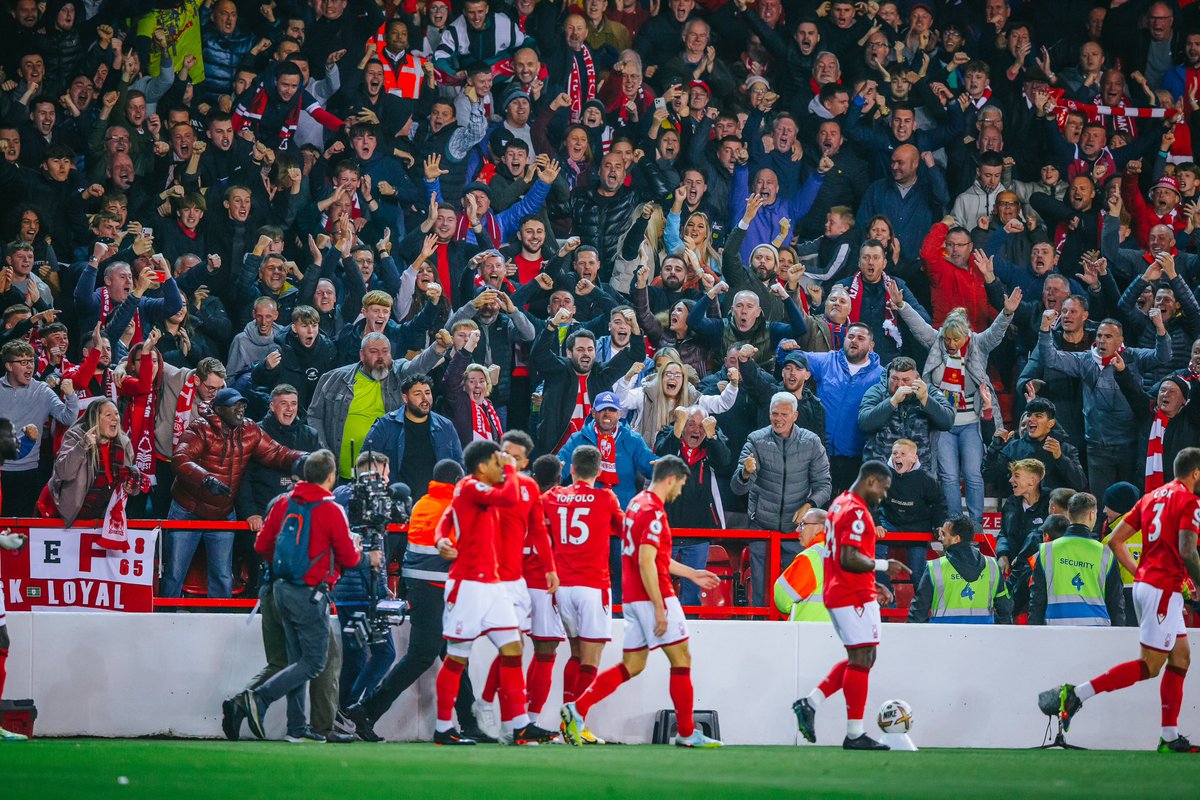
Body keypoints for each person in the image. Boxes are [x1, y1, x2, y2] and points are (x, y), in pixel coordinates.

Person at [1040, 448, 1200, 753]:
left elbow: (1115, 541)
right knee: (1150, 666)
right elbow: (1188, 550)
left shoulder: (1152, 497)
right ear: (1195, 473)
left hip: (1151, 586)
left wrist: (1142, 573)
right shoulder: (1189, 500)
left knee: (1181, 657)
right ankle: (1077, 694)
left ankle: (1169, 735)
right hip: (1163, 590)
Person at [560, 455, 723, 748]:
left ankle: (577, 708)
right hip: (653, 595)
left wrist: (692, 574)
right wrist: (660, 607)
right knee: (681, 658)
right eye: (681, 484)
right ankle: (686, 732)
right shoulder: (654, 511)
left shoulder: (636, 504)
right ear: (671, 479)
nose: (680, 491)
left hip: (635, 598)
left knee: (633, 664)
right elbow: (647, 561)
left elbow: (653, 557)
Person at [232, 450, 379, 743]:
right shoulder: (330, 508)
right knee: (314, 663)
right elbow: (349, 558)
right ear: (330, 476)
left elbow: (261, 544)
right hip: (310, 592)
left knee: (296, 660)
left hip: (279, 588)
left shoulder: (285, 502)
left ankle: (296, 728)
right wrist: (367, 558)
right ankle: (259, 699)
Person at [344, 458, 488, 743]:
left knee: (452, 656)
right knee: (423, 655)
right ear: (457, 481)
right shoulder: (453, 508)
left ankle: (469, 723)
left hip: (422, 587)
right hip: (437, 588)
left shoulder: (423, 503)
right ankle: (368, 709)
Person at [427, 440, 555, 745]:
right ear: (483, 467)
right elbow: (509, 496)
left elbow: (447, 518)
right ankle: (444, 727)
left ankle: (520, 724)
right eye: (499, 463)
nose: (505, 467)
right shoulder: (473, 488)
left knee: (512, 648)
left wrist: (441, 537)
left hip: (494, 585)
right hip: (469, 585)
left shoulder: (480, 489)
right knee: (457, 658)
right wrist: (511, 467)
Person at [792, 460, 908, 750]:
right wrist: (883, 565)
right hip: (850, 594)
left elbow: (847, 557)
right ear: (871, 481)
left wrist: (871, 581)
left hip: (848, 589)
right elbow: (848, 556)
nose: (883, 496)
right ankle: (853, 732)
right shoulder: (856, 510)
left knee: (863, 658)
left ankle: (811, 703)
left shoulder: (840, 503)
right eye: (883, 489)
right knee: (863, 658)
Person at [163, 388, 306, 598]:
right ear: (219, 409)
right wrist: (205, 478)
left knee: (223, 575)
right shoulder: (200, 428)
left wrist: (303, 458)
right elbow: (180, 458)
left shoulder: (249, 429)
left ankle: (222, 622)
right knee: (175, 572)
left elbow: (275, 452)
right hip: (188, 508)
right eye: (234, 406)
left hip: (223, 511)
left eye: (242, 405)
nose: (240, 410)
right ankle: (164, 618)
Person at [541, 445, 624, 745]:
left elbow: (535, 521)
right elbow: (623, 529)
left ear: (571, 470)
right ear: (599, 471)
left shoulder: (553, 497)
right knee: (591, 659)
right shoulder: (606, 497)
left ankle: (567, 726)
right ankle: (576, 722)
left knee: (575, 654)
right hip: (592, 585)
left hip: (562, 588)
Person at [732, 391, 832, 607]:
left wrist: (809, 505)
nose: (778, 419)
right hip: (762, 528)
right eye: (774, 413)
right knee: (761, 593)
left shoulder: (811, 442)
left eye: (784, 414)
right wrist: (745, 474)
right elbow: (737, 487)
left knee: (793, 593)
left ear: (795, 415)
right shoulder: (756, 440)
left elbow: (824, 484)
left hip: (796, 532)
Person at [0, 339, 78, 514]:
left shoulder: (42, 390)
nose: (30, 367)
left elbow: (67, 418)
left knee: (23, 528)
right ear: (9, 366)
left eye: (31, 361)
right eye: (23, 362)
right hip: (0, 471)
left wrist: (71, 396)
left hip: (29, 472)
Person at [1029, 492, 1124, 627]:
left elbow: (1037, 600)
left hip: (1056, 629)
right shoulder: (1105, 553)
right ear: (1092, 515)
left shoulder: (1046, 551)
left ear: (1070, 514)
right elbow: (1116, 603)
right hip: (1097, 632)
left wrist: (1035, 633)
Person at [362, 372, 463, 499]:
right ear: (405, 398)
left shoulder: (445, 426)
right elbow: (366, 460)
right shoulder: (385, 425)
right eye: (418, 394)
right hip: (397, 502)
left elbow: (459, 464)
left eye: (427, 393)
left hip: (436, 502)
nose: (425, 399)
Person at [908, 516, 1012, 624]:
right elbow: (1005, 609)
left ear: (956, 539)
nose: (940, 538)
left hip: (943, 636)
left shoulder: (935, 567)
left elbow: (918, 612)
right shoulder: (992, 565)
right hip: (982, 637)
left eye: (944, 534)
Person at [773, 508, 830, 622]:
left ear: (819, 528)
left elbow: (783, 600)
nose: (798, 529)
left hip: (808, 633)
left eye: (803, 524)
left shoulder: (811, 557)